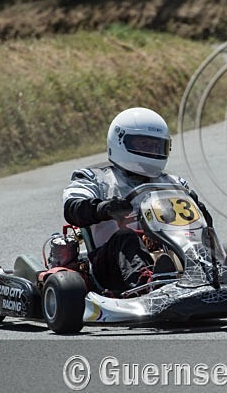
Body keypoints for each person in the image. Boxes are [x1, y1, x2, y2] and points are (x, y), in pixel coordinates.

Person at [62, 107, 211, 293]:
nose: (150, 151)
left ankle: (215, 272)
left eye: (156, 146)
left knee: (198, 235)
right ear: (119, 141)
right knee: (126, 236)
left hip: (167, 250)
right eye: (143, 144)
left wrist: (200, 212)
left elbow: (198, 223)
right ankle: (148, 285)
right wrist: (103, 208)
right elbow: (72, 207)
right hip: (110, 264)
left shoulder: (174, 183)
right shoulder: (95, 178)